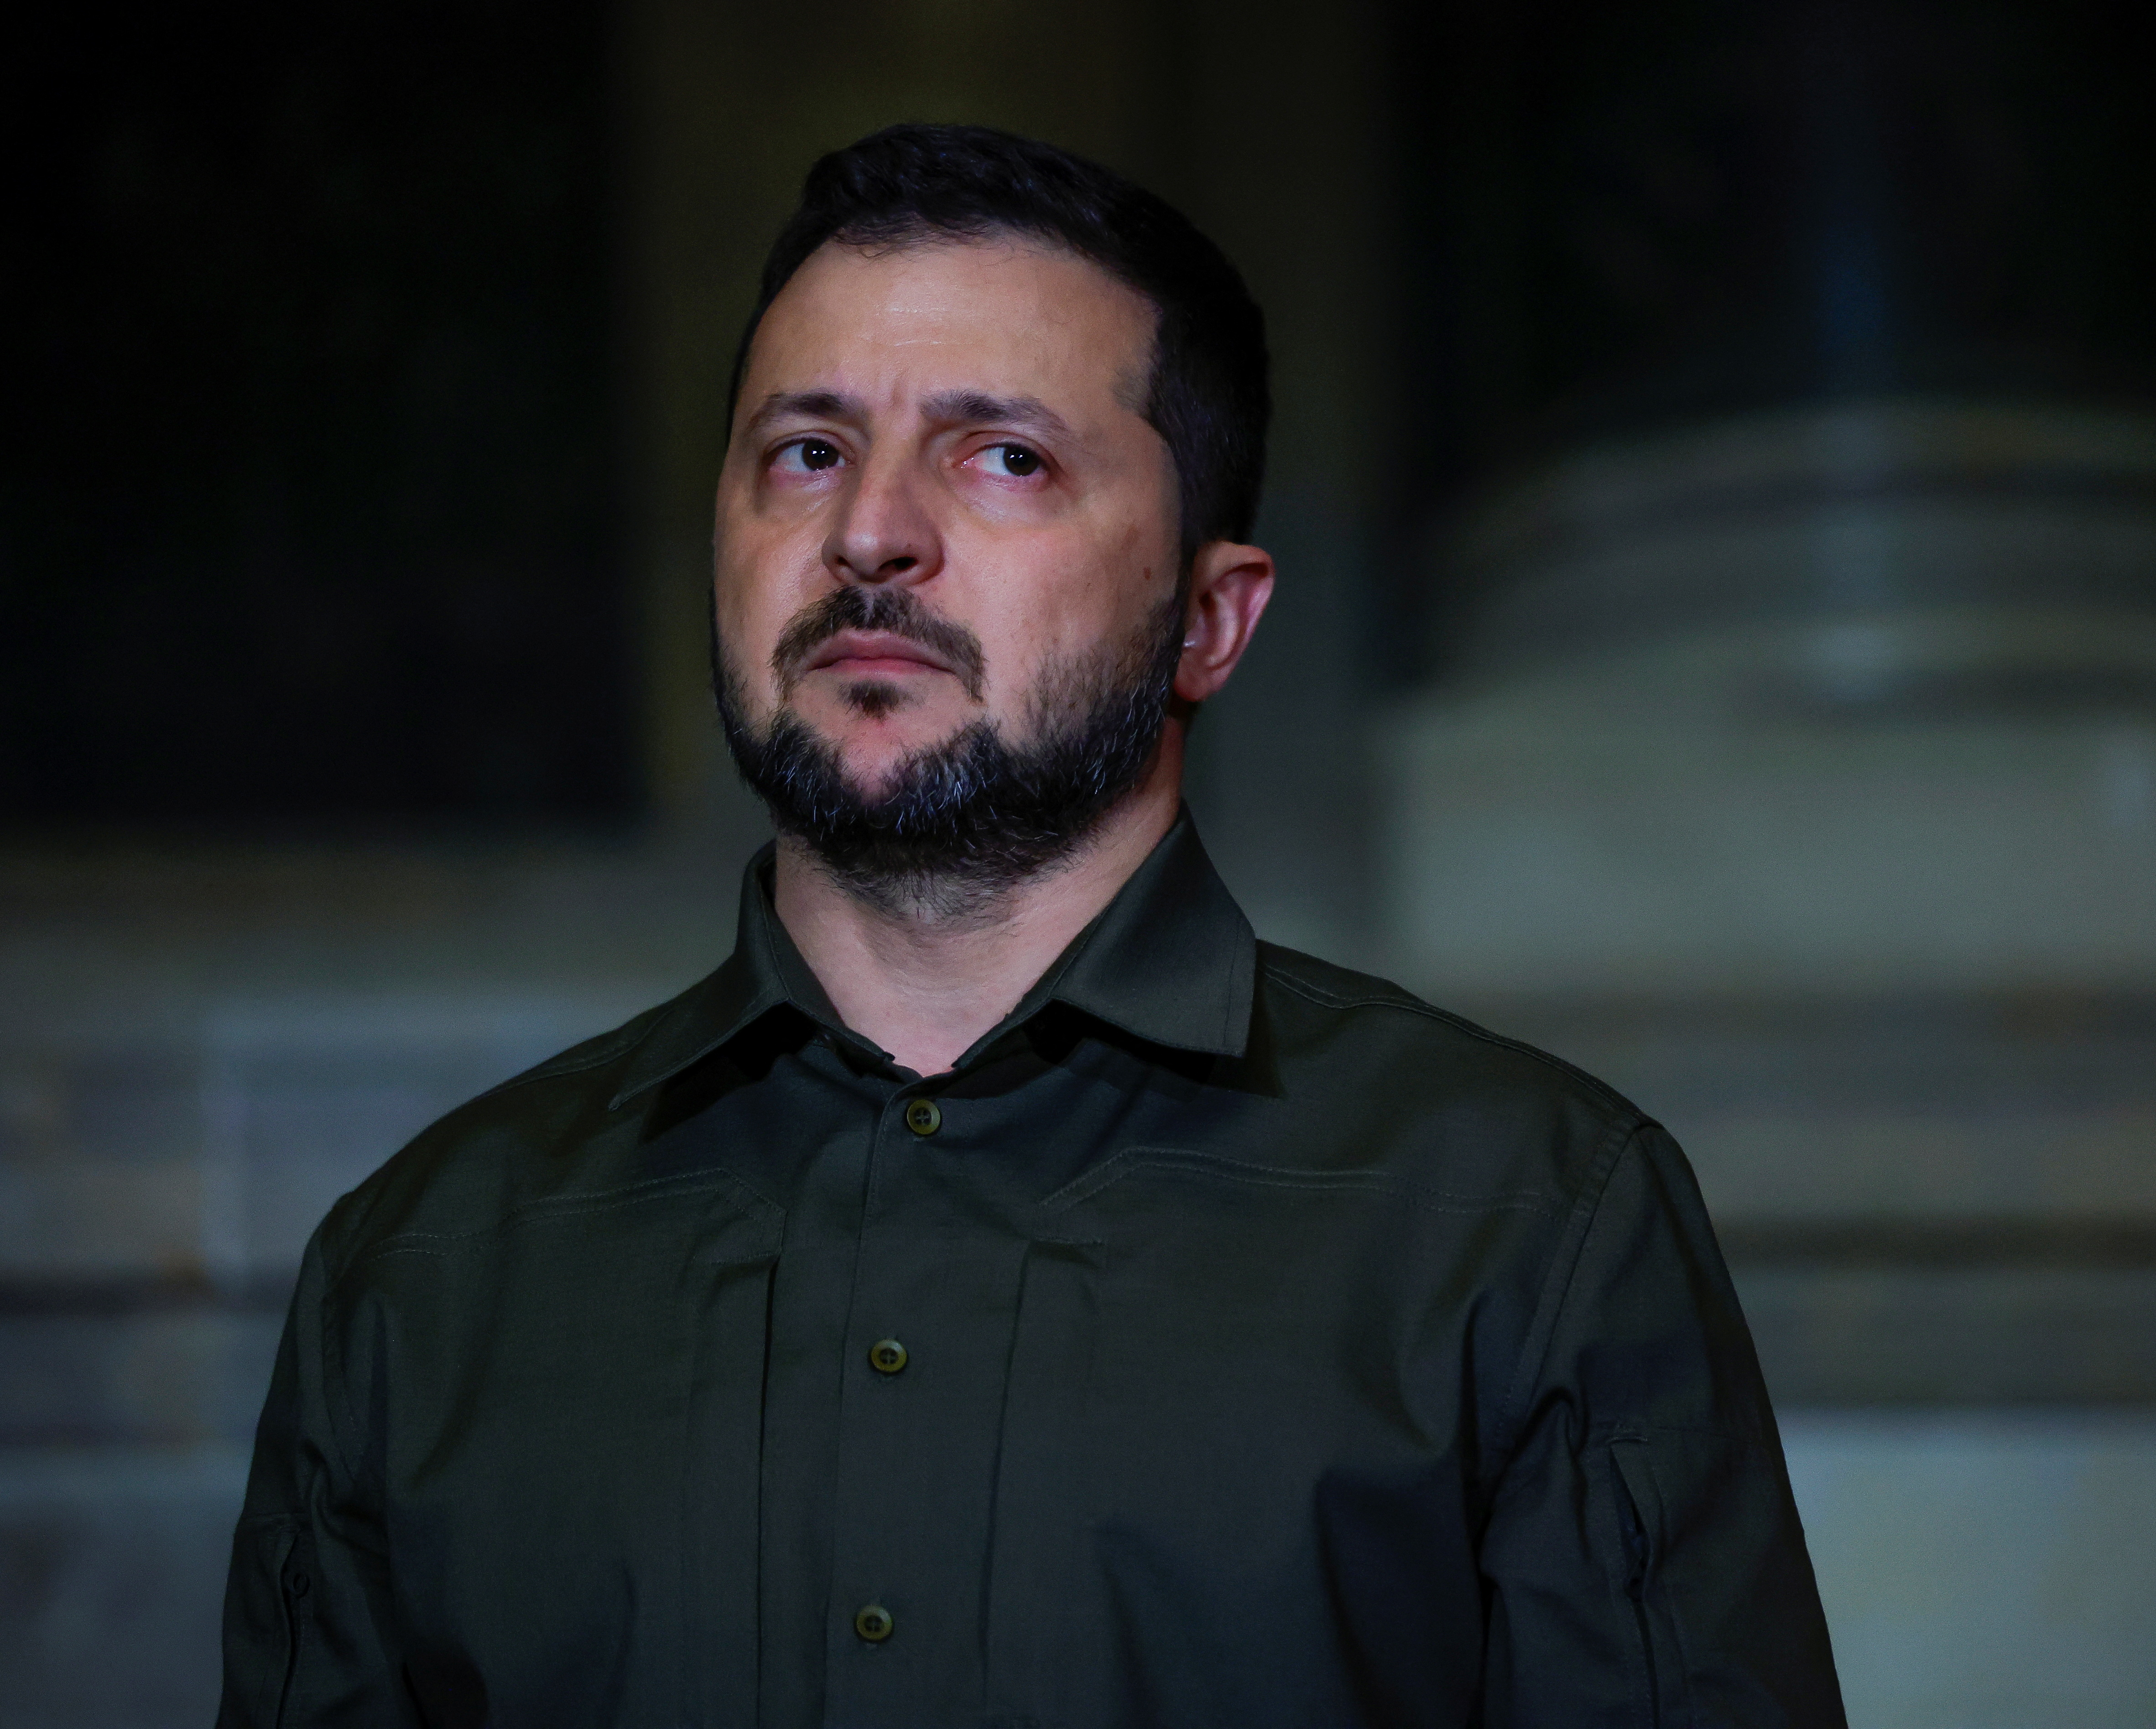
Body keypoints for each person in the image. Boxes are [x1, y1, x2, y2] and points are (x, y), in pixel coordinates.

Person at [218, 123, 1845, 1728]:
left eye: (1003, 455)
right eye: (806, 450)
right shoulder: (419, 1275)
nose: (869, 534)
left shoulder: (1527, 1221)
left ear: (1210, 619)